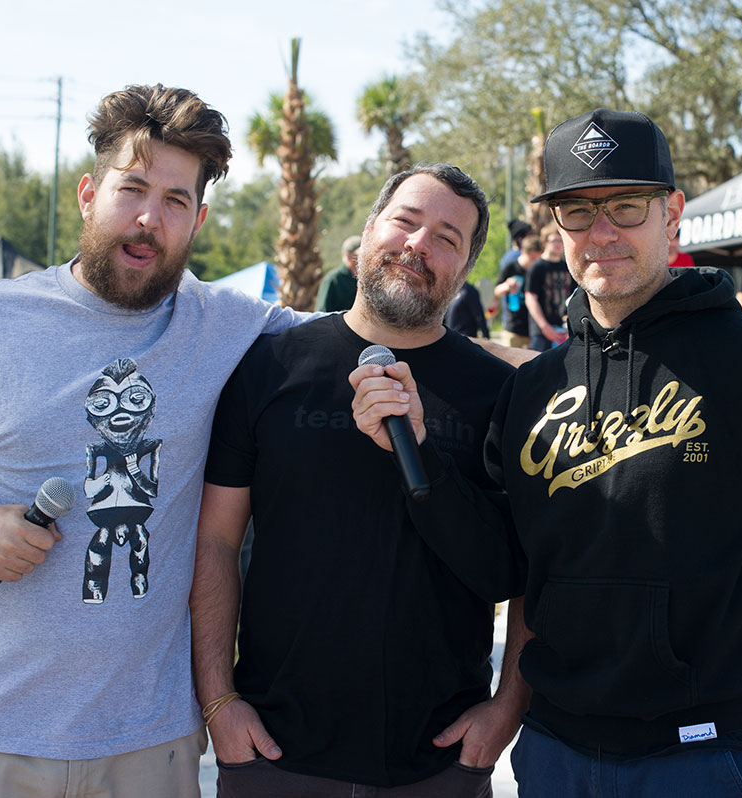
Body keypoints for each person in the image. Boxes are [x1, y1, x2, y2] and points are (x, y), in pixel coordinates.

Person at [352, 108, 742, 796]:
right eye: (576, 212)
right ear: (556, 229)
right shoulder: (535, 389)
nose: (600, 233)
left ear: (672, 215)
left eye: (626, 207)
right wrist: (419, 455)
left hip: (704, 753)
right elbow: (498, 568)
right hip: (555, 752)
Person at [0, 84, 319, 798]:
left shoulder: (229, 325)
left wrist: (540, 371)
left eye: (176, 201)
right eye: (133, 189)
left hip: (148, 739)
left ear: (199, 220)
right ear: (89, 194)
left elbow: (361, 336)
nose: (151, 218)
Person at [193, 163, 531, 797]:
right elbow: (215, 543)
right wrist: (219, 702)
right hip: (274, 751)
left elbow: (525, 570)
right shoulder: (269, 366)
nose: (418, 245)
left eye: (446, 238)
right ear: (371, 229)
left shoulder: (499, 392)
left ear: (464, 270)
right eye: (406, 221)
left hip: (437, 760)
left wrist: (506, 708)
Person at [524, 224, 575, 350]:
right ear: (545, 242)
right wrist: (544, 326)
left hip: (564, 329)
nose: (558, 244)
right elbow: (530, 298)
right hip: (541, 331)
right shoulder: (537, 267)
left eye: (561, 240)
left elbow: (575, 295)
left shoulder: (568, 267)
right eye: (554, 240)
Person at [494, 232, 540, 348]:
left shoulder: (537, 270)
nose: (534, 262)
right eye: (532, 258)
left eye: (537, 259)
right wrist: (507, 286)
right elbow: (497, 291)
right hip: (513, 328)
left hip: (533, 328)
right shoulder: (511, 267)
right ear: (523, 252)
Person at [314, 234, 361, 312]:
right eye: (359, 255)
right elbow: (322, 313)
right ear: (348, 256)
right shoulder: (333, 279)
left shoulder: (366, 279)